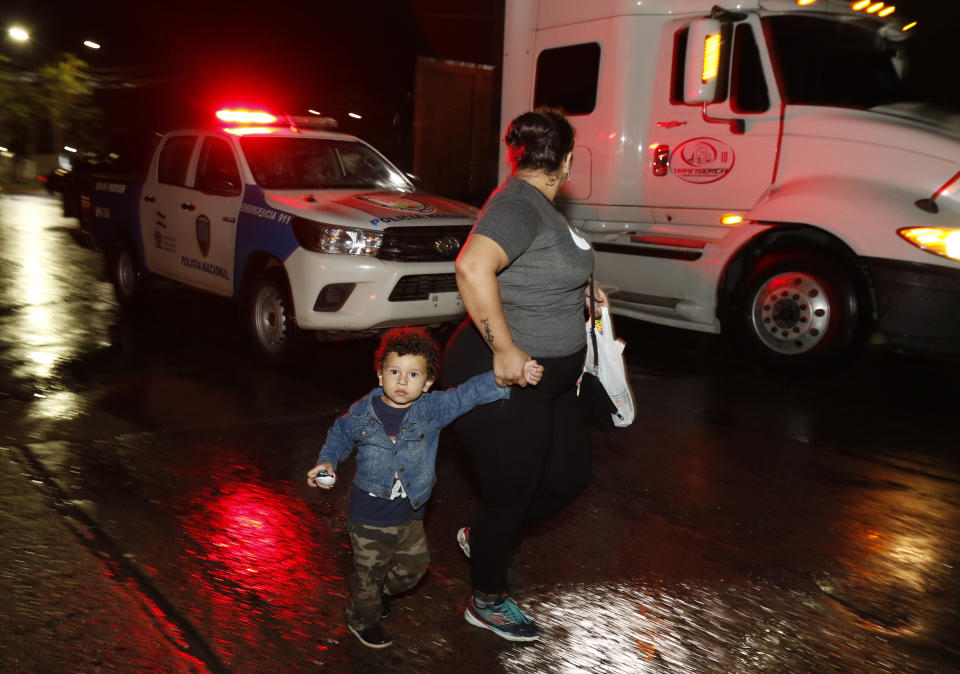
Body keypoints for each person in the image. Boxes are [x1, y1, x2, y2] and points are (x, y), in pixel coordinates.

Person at [441, 108, 608, 642]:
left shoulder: (535, 202)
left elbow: (536, 266)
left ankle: (484, 533)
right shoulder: (518, 204)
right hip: (509, 378)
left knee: (569, 477)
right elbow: (472, 266)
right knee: (511, 493)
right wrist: (504, 348)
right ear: (568, 160)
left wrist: (581, 294)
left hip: (552, 382)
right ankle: (487, 600)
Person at [307, 326, 542, 649]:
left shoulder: (432, 410)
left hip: (411, 516)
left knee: (413, 570)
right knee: (367, 576)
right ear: (380, 375)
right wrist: (326, 461)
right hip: (368, 518)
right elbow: (339, 434)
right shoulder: (363, 413)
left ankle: (379, 593)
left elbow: (468, 393)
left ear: (428, 382)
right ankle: (362, 618)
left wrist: (508, 376)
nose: (402, 381)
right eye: (394, 371)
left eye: (413, 374)